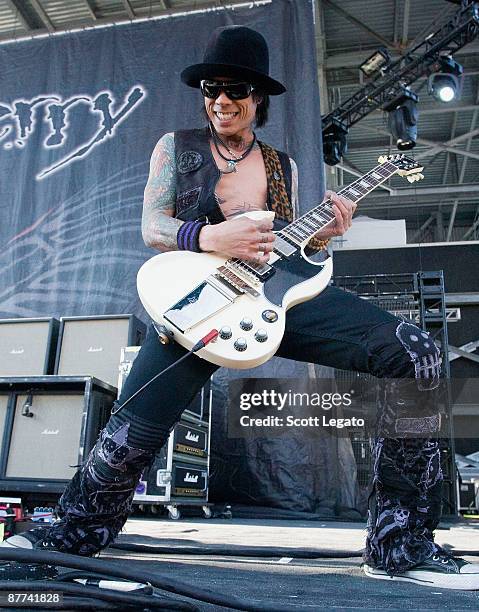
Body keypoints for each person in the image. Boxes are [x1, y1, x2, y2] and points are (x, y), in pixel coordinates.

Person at [1, 25, 477, 591]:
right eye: (210, 90)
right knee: (131, 433)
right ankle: (72, 533)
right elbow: (152, 226)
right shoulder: (175, 149)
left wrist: (324, 234)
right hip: (199, 300)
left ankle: (400, 540)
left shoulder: (284, 168)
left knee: (418, 355)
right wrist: (209, 238)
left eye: (233, 91)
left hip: (275, 298)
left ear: (258, 98)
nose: (220, 101)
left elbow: (294, 251)